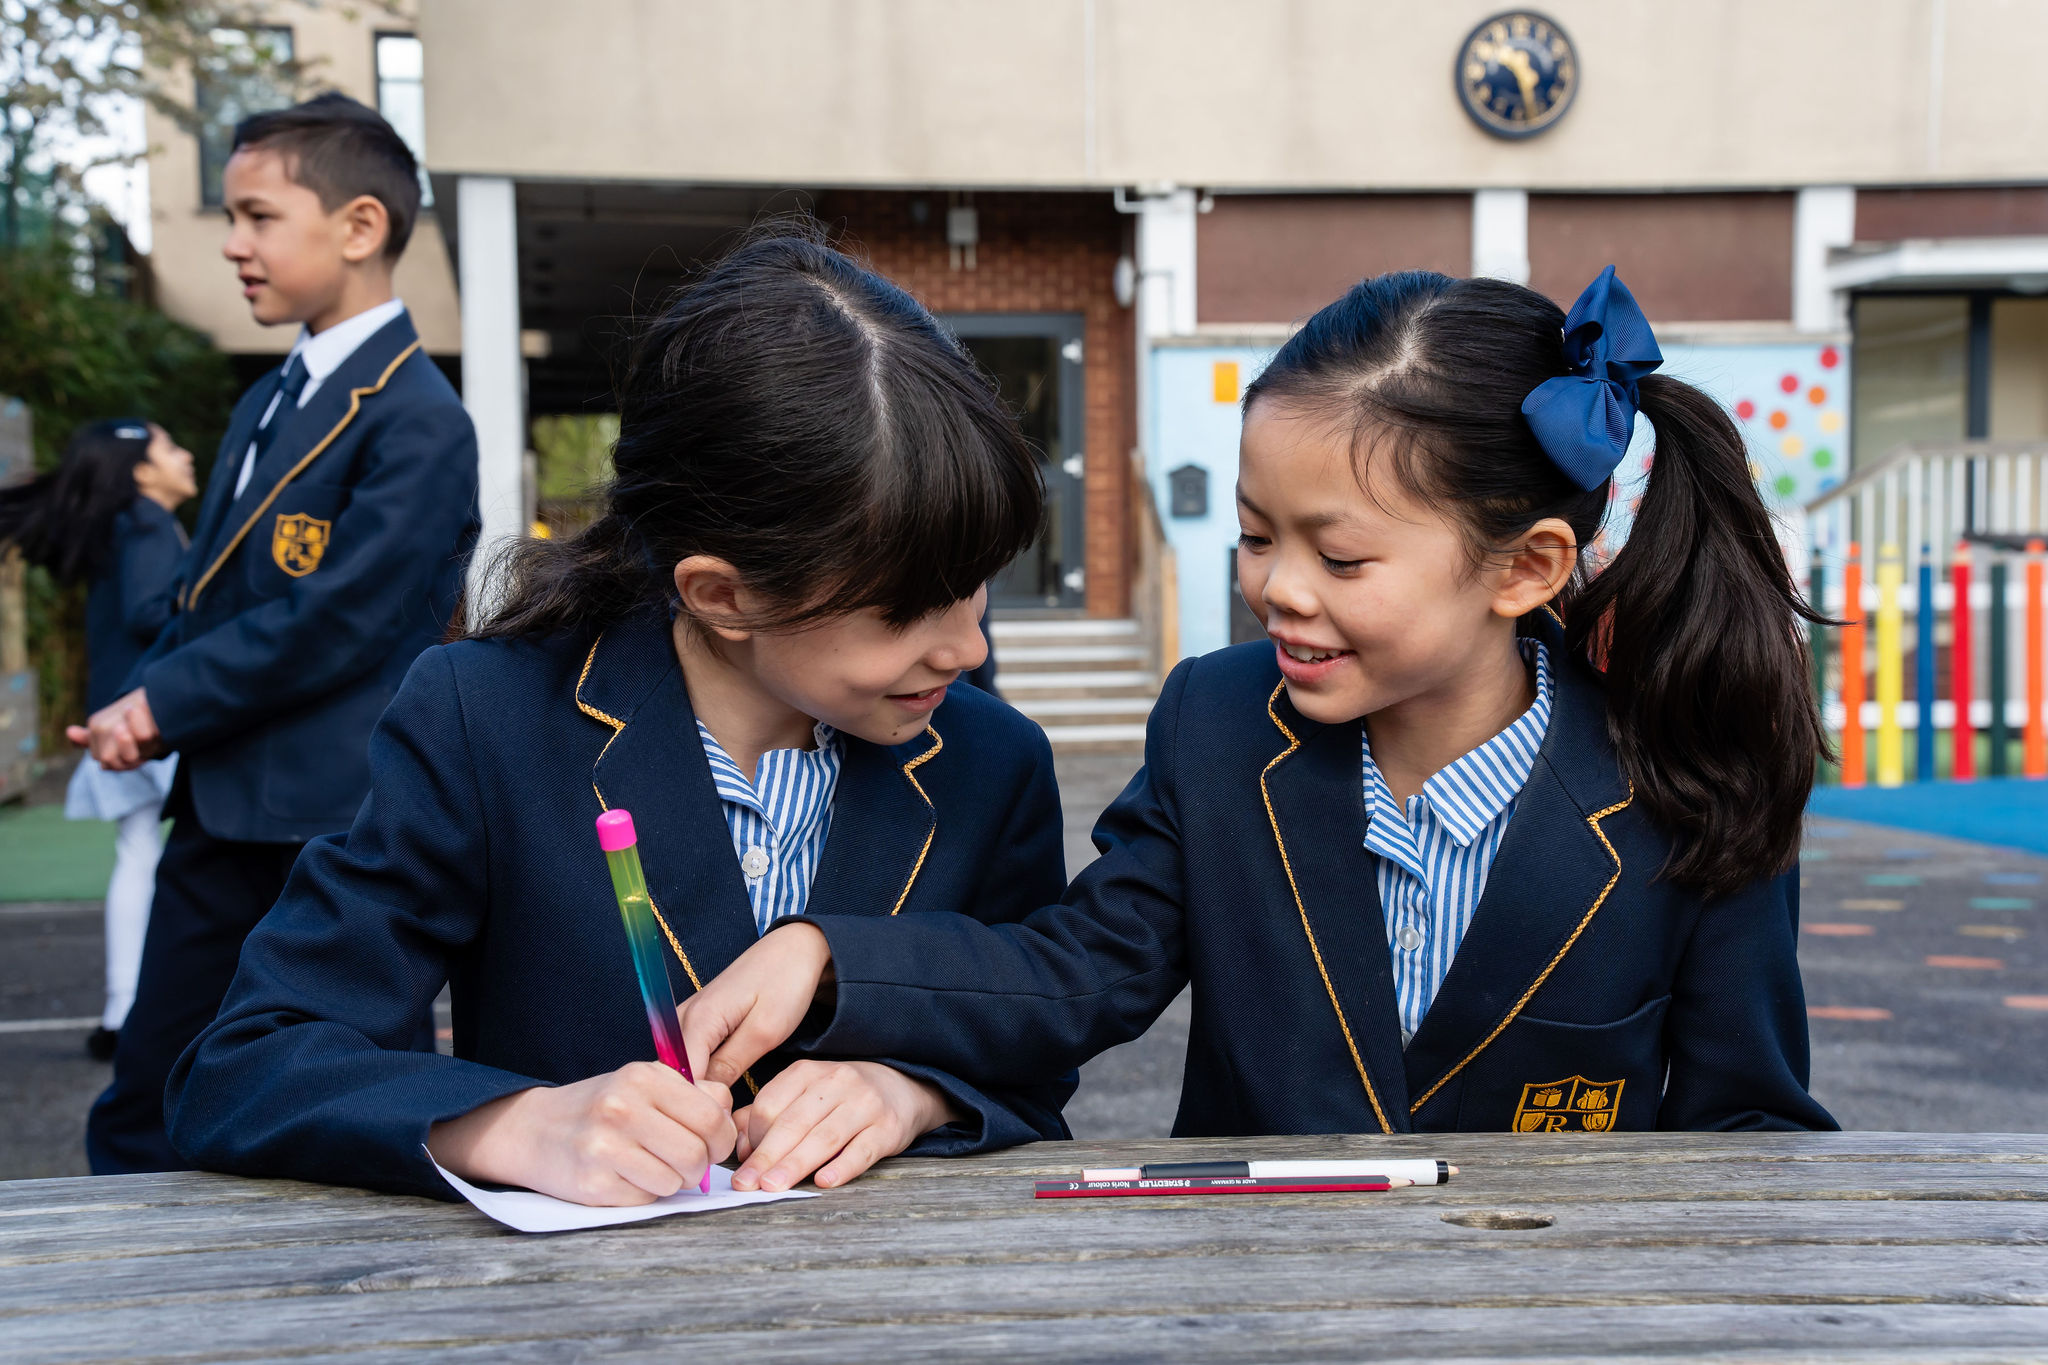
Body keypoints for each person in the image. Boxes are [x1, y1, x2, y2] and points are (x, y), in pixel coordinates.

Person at [679, 266, 1841, 1137]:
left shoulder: (1690, 776)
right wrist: (834, 958)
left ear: (1524, 568)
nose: (1274, 590)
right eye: (1250, 536)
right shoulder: (1220, 727)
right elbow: (1080, 969)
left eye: (1338, 561)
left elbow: (1749, 1126)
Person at [166, 228, 1074, 1206]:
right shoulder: (489, 721)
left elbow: (1032, 1041)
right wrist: (508, 1123)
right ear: (722, 595)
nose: (967, 649)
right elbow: (248, 1064)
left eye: (978, 585)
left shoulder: (989, 759)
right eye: (903, 611)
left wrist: (915, 1095)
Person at [72, 93, 480, 1173]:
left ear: (357, 228)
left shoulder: (420, 419)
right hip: (224, 806)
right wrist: (146, 700)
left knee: (340, 1104)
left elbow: (339, 618)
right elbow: (223, 599)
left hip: (332, 824)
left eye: (257, 215)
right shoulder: (266, 403)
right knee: (150, 1095)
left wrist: (164, 700)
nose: (232, 242)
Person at [0, 419, 197, 1059]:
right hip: (152, 720)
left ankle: (121, 1010)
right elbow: (149, 612)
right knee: (204, 856)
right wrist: (209, 608)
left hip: (120, 713)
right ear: (141, 471)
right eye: (169, 448)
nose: (185, 456)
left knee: (138, 853)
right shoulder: (146, 524)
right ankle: (156, 1010)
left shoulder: (125, 524)